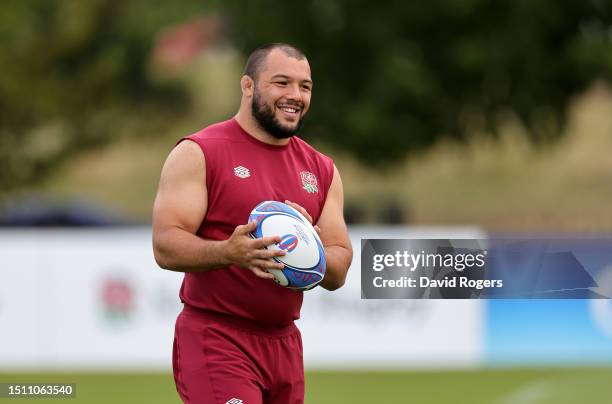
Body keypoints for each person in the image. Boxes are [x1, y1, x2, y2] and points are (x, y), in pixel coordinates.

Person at [152, 43, 353, 404]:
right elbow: (165, 245)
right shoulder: (200, 152)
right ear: (248, 86)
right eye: (282, 83)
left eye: (304, 86)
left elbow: (339, 270)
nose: (295, 96)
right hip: (216, 337)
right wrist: (230, 252)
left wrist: (310, 245)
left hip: (285, 344)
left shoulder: (321, 169)